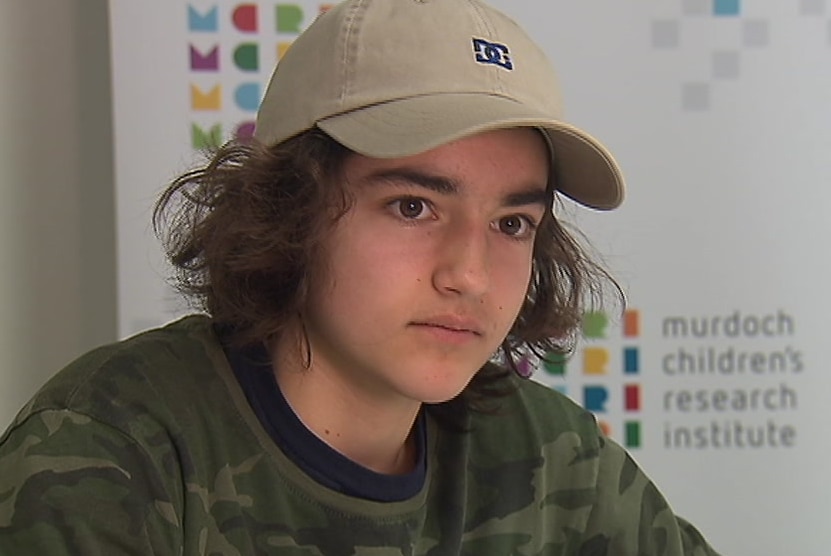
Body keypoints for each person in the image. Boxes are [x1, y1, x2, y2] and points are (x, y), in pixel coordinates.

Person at [0, 0, 721, 554]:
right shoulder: (110, 448)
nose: (469, 273)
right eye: (413, 206)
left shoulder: (551, 456)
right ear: (288, 208)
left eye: (511, 223)